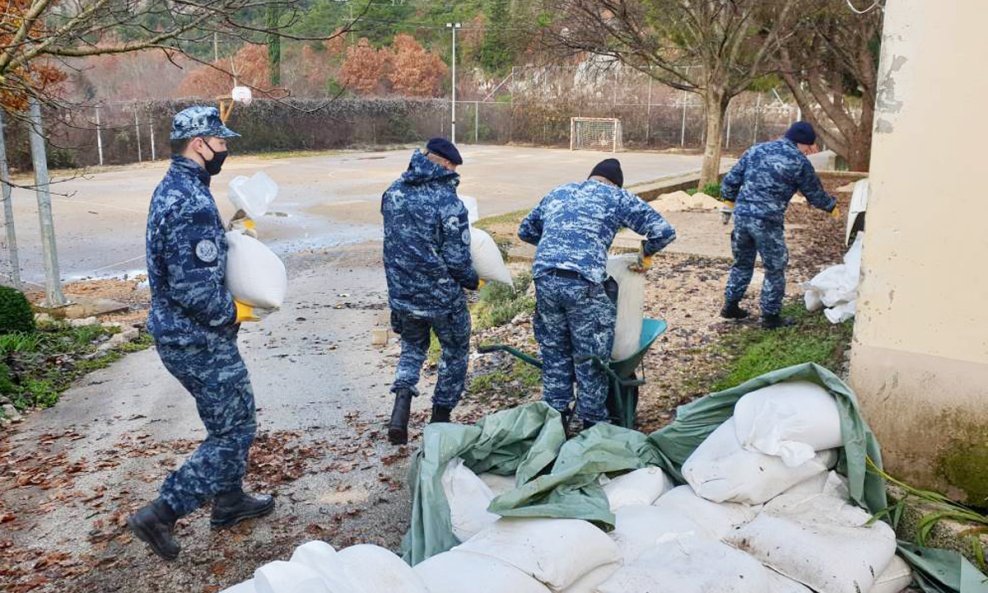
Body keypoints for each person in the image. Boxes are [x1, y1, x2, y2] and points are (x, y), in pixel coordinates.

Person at [128, 106, 274, 561]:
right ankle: (162, 512)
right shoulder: (189, 200)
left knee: (223, 421)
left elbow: (190, 260)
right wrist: (235, 311)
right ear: (200, 145)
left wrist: (233, 232)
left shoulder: (177, 187)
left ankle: (229, 501)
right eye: (221, 142)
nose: (226, 150)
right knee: (235, 429)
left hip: (183, 335)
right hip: (197, 338)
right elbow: (193, 289)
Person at [518, 159, 676, 431]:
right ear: (615, 183)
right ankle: (593, 427)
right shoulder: (617, 197)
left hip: (545, 279)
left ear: (591, 177)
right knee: (590, 356)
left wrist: (559, 247)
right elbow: (664, 231)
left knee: (555, 352)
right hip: (583, 284)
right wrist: (645, 253)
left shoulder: (560, 191)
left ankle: (555, 423)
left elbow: (526, 230)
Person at [382, 138, 480, 445]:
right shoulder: (449, 203)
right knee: (454, 352)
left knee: (412, 348)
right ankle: (440, 421)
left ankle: (400, 411)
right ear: (447, 165)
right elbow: (457, 260)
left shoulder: (393, 192)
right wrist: (473, 281)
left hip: (402, 294)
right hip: (441, 298)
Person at [720, 121, 840, 329]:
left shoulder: (756, 149)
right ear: (804, 144)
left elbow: (731, 179)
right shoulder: (798, 161)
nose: (809, 151)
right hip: (767, 221)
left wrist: (729, 201)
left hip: (742, 216)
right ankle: (770, 316)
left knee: (742, 262)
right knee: (775, 267)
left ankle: (730, 305)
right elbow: (814, 193)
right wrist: (831, 207)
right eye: (809, 147)